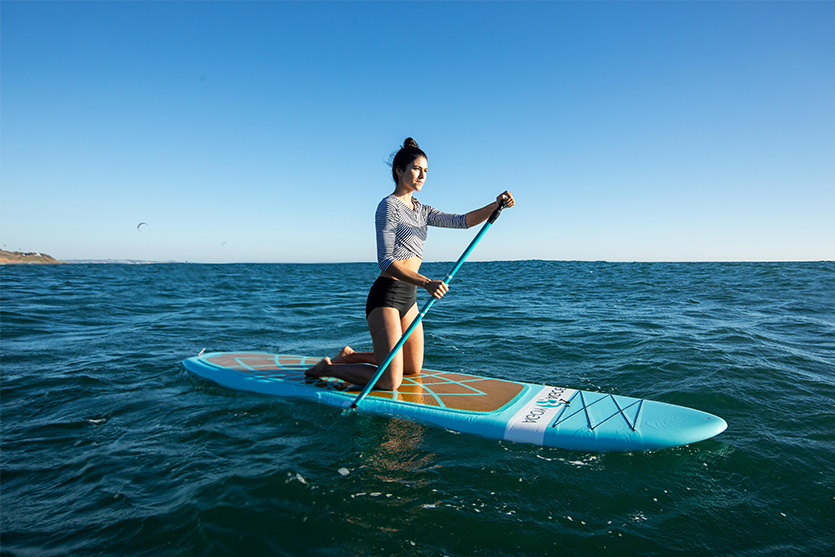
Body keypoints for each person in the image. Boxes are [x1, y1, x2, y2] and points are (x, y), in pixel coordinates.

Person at [306, 138, 514, 390]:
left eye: (426, 171)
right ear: (399, 171)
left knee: (412, 368)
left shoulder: (422, 210)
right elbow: (385, 261)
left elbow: (462, 221)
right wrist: (427, 282)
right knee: (390, 381)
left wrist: (495, 205)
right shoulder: (388, 206)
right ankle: (327, 368)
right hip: (386, 297)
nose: (422, 175)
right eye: (416, 168)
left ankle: (351, 356)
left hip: (409, 296)